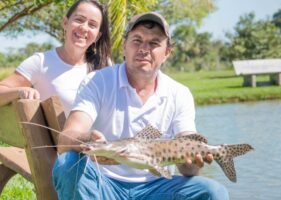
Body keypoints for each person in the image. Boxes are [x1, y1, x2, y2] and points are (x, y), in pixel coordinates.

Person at [53, 12, 229, 200]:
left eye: (154, 43)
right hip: (102, 185)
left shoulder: (180, 93)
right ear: (124, 47)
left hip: (157, 188)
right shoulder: (97, 81)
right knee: (67, 163)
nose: (144, 49)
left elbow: (189, 170)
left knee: (214, 192)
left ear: (167, 53)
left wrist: (195, 159)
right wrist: (88, 138)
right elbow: (65, 139)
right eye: (137, 40)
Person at [0, 0, 111, 116]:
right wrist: (20, 91)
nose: (84, 28)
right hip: (60, 140)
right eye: (79, 19)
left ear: (97, 36)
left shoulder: (105, 66)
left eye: (92, 25)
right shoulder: (41, 62)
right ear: (65, 23)